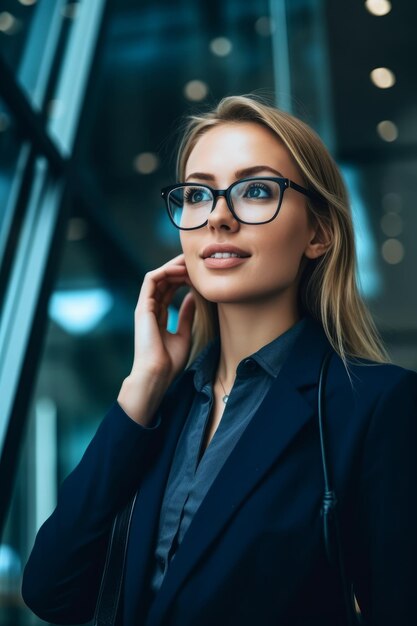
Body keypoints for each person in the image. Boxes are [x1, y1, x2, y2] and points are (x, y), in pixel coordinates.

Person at [22, 95, 417, 626]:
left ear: (319, 233)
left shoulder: (375, 406)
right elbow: (52, 590)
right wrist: (142, 389)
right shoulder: (163, 408)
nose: (219, 217)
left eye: (255, 190)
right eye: (197, 194)